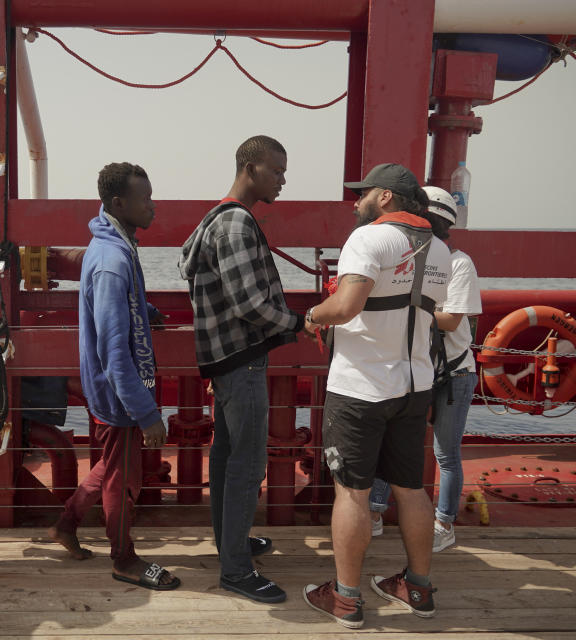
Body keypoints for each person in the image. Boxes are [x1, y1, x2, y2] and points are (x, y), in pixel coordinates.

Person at [301, 163, 450, 628]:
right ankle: (417, 587)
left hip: (361, 387)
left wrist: (313, 314)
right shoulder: (442, 250)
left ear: (385, 197)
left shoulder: (368, 239)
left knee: (352, 492)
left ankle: (345, 598)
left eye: (364, 192)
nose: (356, 200)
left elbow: (346, 307)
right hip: (414, 385)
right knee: (411, 488)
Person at [178, 135, 317, 604]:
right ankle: (236, 570)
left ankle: (229, 543)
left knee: (226, 456)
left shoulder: (216, 217)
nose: (283, 180)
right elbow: (250, 303)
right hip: (241, 359)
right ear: (252, 168)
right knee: (248, 463)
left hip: (223, 360)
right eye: (277, 171)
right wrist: (303, 320)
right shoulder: (237, 224)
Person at [48, 162, 180, 591]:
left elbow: (120, 313)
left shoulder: (113, 245)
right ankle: (123, 559)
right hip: (120, 395)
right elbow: (112, 350)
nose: (153, 205)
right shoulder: (111, 260)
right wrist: (146, 413)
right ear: (119, 203)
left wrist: (147, 314)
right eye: (145, 198)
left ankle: (67, 524)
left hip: (113, 392)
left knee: (109, 467)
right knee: (123, 480)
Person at [368, 186, 481, 552]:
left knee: (445, 452)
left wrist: (404, 307)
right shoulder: (415, 257)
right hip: (419, 365)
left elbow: (451, 321)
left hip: (452, 371)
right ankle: (374, 512)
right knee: (394, 442)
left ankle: (443, 524)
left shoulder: (459, 263)